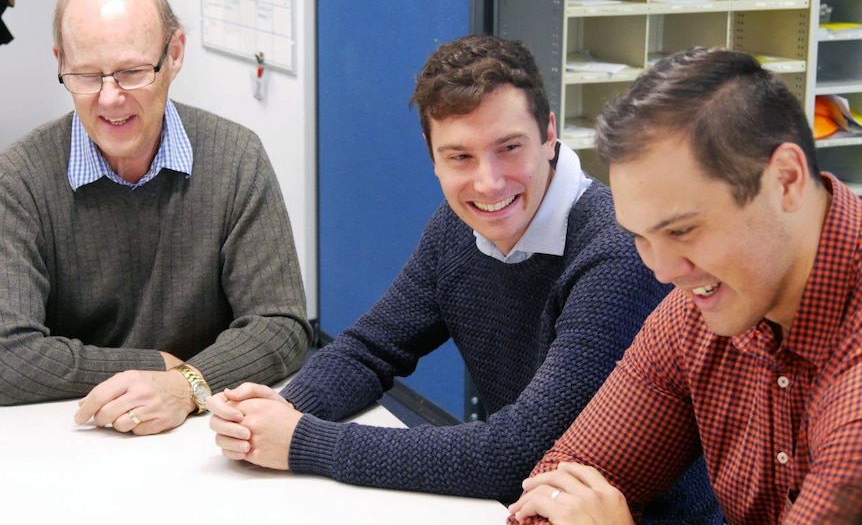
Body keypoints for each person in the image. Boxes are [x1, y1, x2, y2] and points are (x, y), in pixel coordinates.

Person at [207, 34, 720, 521]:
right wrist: (272, 413)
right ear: (432, 159)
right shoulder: (459, 227)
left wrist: (301, 442)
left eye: (509, 147)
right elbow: (371, 348)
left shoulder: (617, 252)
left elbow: (516, 452)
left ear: (549, 134)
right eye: (460, 157)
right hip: (516, 506)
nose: (488, 181)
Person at [508, 47, 862, 525]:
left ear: (786, 180)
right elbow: (559, 489)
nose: (663, 270)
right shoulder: (698, 308)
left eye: (681, 231)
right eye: (641, 236)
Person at [0, 0, 312, 435]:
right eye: (85, 75)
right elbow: (7, 354)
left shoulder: (235, 158)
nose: (109, 99)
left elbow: (282, 324)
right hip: (74, 436)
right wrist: (154, 367)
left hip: (203, 435)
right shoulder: (20, 178)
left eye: (131, 72)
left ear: (176, 53)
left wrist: (187, 386)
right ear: (60, 61)